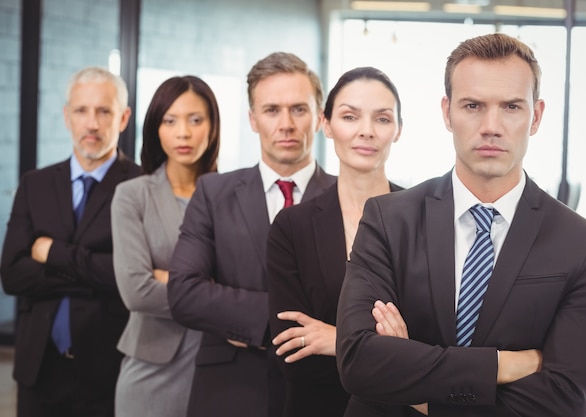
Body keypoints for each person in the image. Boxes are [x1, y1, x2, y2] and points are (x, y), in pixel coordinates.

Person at [335, 33, 586, 417]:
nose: (491, 126)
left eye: (512, 106)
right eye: (473, 105)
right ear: (447, 112)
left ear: (537, 116)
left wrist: (417, 392)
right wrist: (502, 366)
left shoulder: (580, 243)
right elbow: (358, 361)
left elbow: (565, 398)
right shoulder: (388, 220)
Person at [166, 52, 336, 417]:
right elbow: (183, 292)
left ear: (321, 117)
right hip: (230, 390)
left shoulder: (349, 198)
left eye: (299, 109)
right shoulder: (213, 193)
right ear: (253, 119)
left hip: (328, 391)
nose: (286, 124)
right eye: (272, 110)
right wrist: (279, 323)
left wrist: (232, 307)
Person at [0, 66, 141, 416]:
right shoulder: (36, 184)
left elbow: (129, 279)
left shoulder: (141, 187)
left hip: (108, 370)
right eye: (81, 110)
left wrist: (53, 253)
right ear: (66, 116)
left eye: (103, 111)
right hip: (39, 368)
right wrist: (94, 272)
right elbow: (13, 275)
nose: (91, 123)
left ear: (123, 118)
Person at [266, 66, 403, 417]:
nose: (366, 131)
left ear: (398, 129)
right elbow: (294, 356)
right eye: (349, 116)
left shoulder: (427, 218)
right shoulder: (292, 226)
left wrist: (335, 339)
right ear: (326, 124)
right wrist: (392, 352)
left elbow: (441, 345)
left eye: (382, 119)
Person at [111, 76, 220, 417]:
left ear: (213, 126)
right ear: (156, 128)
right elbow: (136, 291)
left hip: (223, 364)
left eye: (195, 120)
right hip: (151, 371)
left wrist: (170, 278)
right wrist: (217, 292)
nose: (183, 133)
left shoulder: (233, 195)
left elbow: (252, 283)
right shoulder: (132, 195)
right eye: (170, 121)